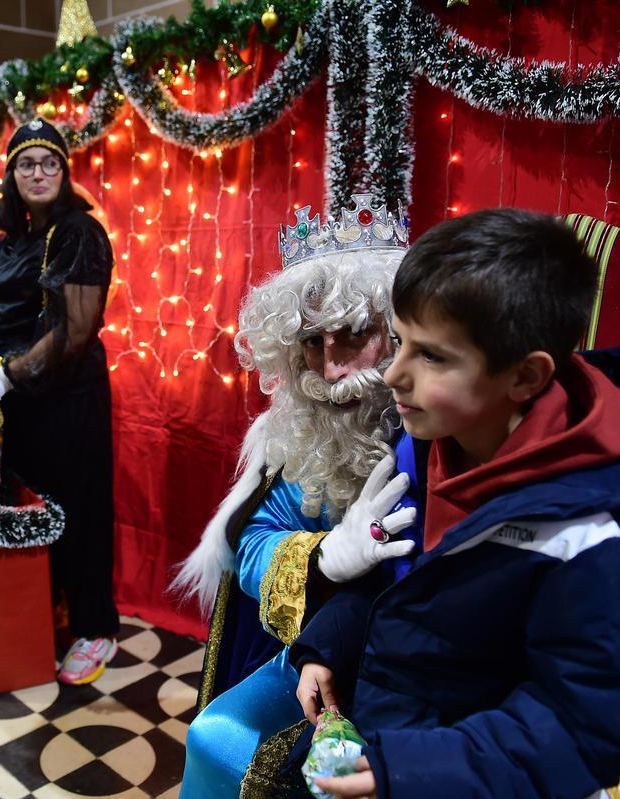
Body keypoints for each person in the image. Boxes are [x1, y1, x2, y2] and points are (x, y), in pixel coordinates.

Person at [292, 208, 620, 798]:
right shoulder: (434, 443)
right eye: (400, 342)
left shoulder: (598, 543)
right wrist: (329, 645)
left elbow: (580, 728)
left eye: (431, 356)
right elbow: (407, 589)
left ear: (527, 378)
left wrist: (403, 770)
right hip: (392, 728)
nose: (394, 375)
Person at [172, 197, 417, 797]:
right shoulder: (294, 431)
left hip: (416, 661)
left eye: (355, 333)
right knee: (214, 737)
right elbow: (250, 540)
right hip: (321, 647)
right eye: (312, 341)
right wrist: (325, 556)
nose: (331, 369)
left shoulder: (446, 420)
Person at [0, 117, 121, 685]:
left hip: (69, 397)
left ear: (64, 175)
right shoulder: (10, 243)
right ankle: (53, 612)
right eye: (26, 164)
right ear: (11, 176)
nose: (38, 173)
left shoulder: (79, 232)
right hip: (20, 397)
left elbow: (74, 332)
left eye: (49, 164)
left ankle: (97, 628)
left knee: (79, 511)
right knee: (36, 508)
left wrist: (5, 377)